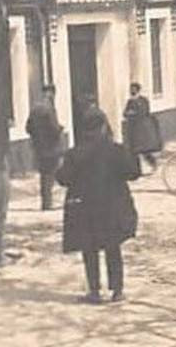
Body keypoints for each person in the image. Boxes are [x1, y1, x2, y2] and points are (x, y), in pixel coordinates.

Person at [54, 107, 141, 304]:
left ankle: (94, 291)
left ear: (84, 129)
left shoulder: (75, 154)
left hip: (85, 209)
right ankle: (117, 291)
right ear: (103, 126)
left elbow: (63, 178)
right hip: (113, 207)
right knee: (113, 248)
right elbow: (133, 173)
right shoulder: (116, 150)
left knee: (89, 249)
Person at [24, 85, 67, 211]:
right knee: (50, 174)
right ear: (52, 94)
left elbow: (28, 128)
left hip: (39, 147)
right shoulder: (49, 109)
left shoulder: (35, 108)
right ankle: (48, 203)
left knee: (44, 175)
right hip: (51, 147)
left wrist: (37, 136)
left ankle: (45, 202)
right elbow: (54, 128)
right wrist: (59, 129)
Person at [120, 83, 162, 171]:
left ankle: (153, 164)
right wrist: (130, 113)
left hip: (143, 128)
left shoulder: (143, 100)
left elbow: (143, 112)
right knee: (135, 150)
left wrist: (133, 113)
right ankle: (138, 169)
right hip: (133, 128)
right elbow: (125, 113)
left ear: (138, 90)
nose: (132, 91)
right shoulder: (130, 101)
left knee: (144, 149)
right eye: (131, 89)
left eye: (134, 89)